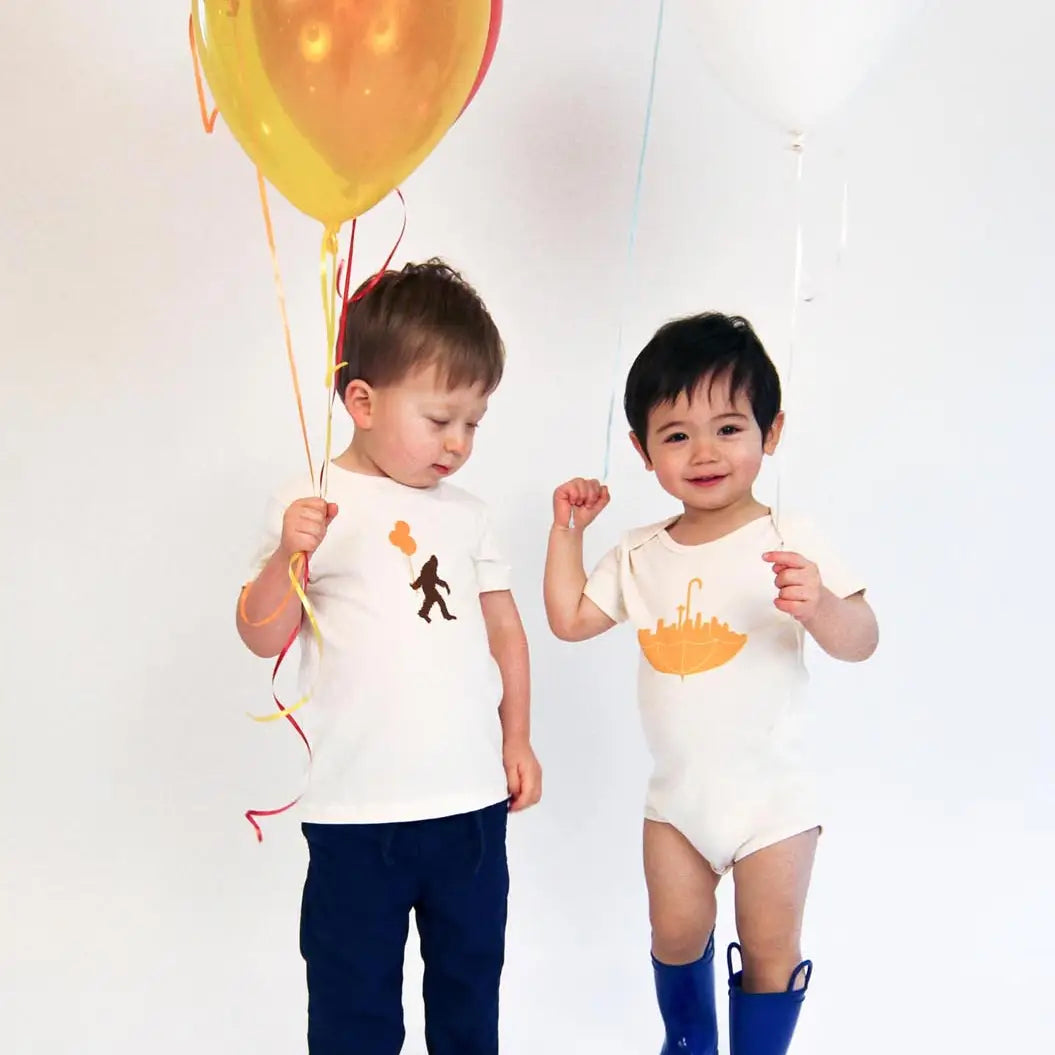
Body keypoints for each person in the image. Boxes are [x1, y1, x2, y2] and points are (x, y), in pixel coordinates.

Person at [544, 312, 877, 1055]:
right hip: (677, 805)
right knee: (673, 931)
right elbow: (568, 619)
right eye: (674, 435)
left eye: (728, 428)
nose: (703, 453)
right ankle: (686, 1042)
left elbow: (862, 640)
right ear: (640, 448)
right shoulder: (638, 552)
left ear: (771, 430)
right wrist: (566, 530)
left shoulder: (789, 538)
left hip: (772, 806)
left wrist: (819, 604)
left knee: (767, 948)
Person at [237, 259, 542, 1055]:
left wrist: (516, 739)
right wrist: (286, 556)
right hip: (356, 816)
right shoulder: (313, 502)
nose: (458, 442)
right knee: (353, 1007)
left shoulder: (468, 516)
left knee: (468, 995)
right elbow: (262, 631)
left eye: (474, 422)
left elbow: (504, 631)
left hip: (469, 807)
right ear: (362, 402)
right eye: (440, 418)